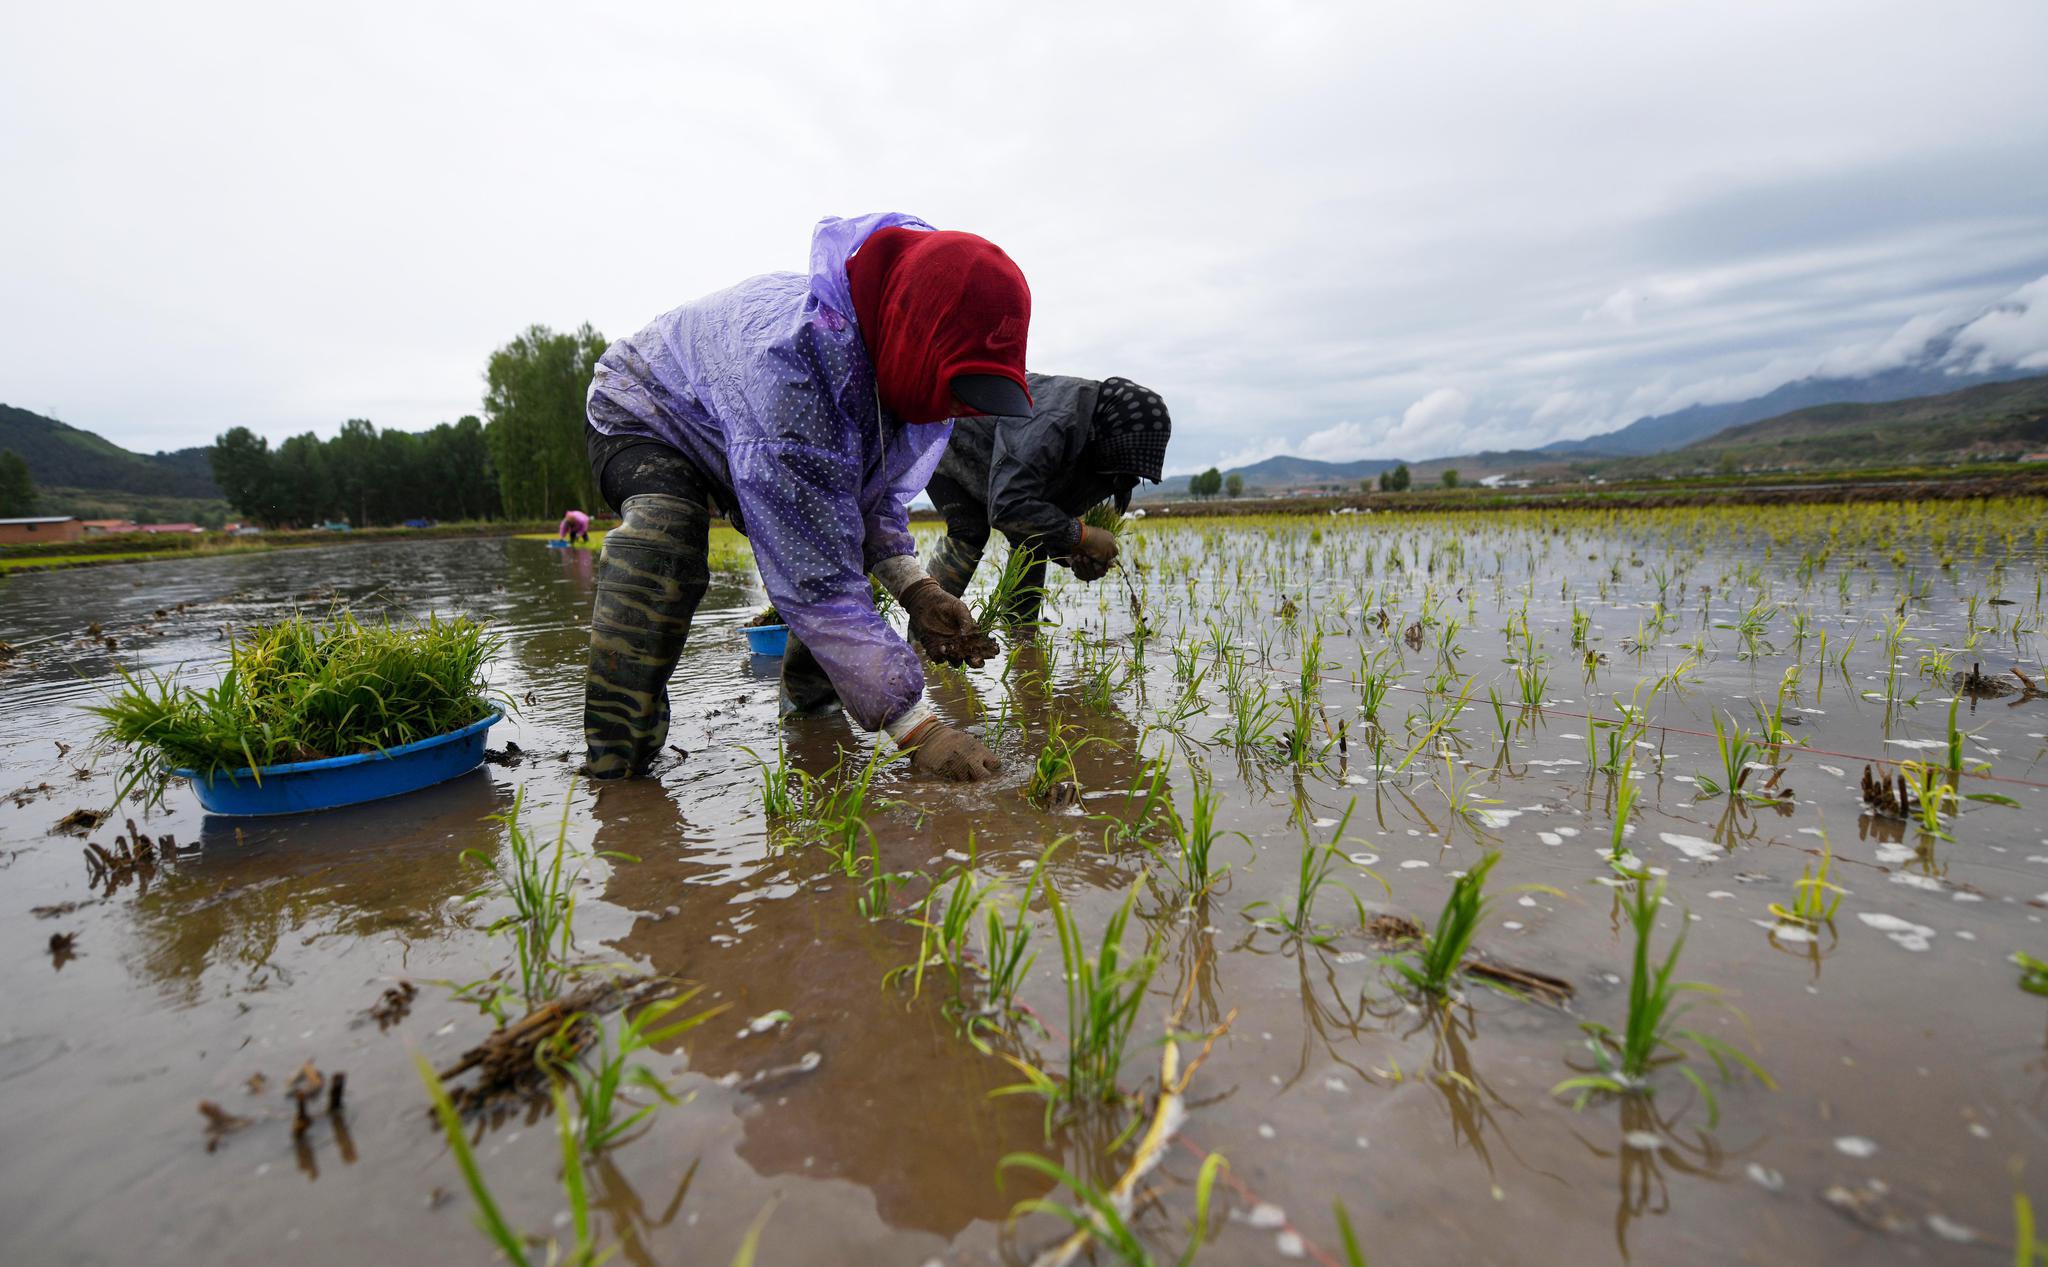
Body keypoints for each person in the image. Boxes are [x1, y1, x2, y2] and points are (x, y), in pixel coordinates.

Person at [581, 212, 1030, 782]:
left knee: (833, 539)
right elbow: (815, 574)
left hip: (735, 423)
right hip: (649, 410)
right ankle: (619, 764)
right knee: (667, 535)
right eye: (959, 390)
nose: (957, 411)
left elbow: (867, 509)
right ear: (917, 338)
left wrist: (919, 591)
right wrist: (920, 731)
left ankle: (811, 718)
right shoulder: (796, 376)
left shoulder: (885, 362)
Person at [779, 372, 1170, 714]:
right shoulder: (1055, 422)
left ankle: (1022, 639)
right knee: (970, 531)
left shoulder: (1094, 444)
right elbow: (1010, 505)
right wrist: (1081, 536)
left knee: (1028, 542)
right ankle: (924, 638)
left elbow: (1041, 521)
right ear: (1109, 436)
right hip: (954, 444)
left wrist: (1072, 554)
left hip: (999, 463)